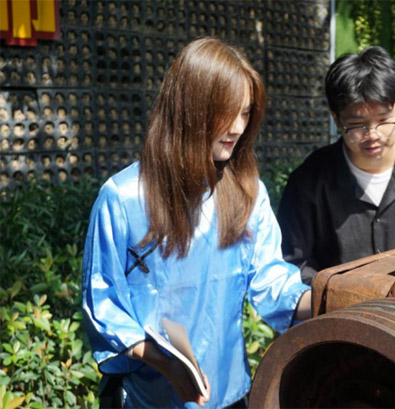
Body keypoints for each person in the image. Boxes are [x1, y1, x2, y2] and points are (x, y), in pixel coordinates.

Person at [82, 37, 311, 409]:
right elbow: (104, 304)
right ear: (189, 109)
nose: (237, 127)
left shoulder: (247, 192)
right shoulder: (123, 198)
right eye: (226, 113)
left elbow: (270, 281)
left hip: (229, 393)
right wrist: (166, 364)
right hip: (148, 399)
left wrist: (329, 298)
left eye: (245, 113)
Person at [277, 46, 395, 285]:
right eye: (357, 124)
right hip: (340, 306)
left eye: (383, 121)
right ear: (336, 119)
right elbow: (295, 265)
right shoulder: (308, 182)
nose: (372, 134)